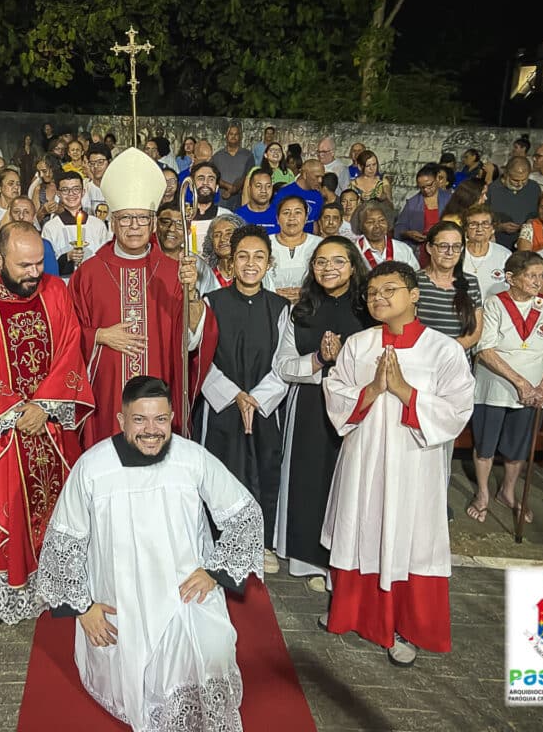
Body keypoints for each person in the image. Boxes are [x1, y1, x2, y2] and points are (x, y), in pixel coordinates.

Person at [37, 375, 264, 731]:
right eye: (139, 419)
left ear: (173, 416)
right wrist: (83, 608)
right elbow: (64, 539)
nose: (151, 430)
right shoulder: (94, 467)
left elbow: (243, 513)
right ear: (121, 420)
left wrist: (215, 571)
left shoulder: (191, 458)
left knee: (208, 659)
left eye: (160, 419)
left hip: (184, 596)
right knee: (139, 682)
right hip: (122, 602)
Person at [0, 222, 95, 624]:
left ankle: (59, 584)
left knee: (60, 507)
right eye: (24, 265)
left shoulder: (55, 291)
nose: (33, 273)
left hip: (49, 425)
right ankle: (3, 594)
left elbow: (69, 347)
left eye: (39, 263)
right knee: (4, 512)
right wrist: (14, 411)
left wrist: (44, 404)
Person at [319, 261, 474, 667]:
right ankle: (350, 613)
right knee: (361, 527)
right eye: (372, 293)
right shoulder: (359, 344)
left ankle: (405, 626)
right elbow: (336, 391)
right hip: (364, 457)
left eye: (390, 290)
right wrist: (371, 389)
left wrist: (406, 391)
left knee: (411, 539)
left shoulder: (443, 349)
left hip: (413, 463)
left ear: (415, 294)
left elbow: (458, 408)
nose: (379, 298)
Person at [69, 148, 215, 447]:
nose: (134, 226)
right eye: (125, 219)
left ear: (152, 223)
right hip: (105, 398)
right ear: (112, 222)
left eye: (141, 218)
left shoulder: (175, 271)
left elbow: (194, 340)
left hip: (159, 390)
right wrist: (98, 335)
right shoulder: (89, 273)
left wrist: (191, 294)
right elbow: (65, 333)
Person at [274, 236, 372, 589]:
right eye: (320, 262)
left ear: (353, 265)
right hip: (310, 405)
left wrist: (345, 357)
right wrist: (318, 359)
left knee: (349, 483)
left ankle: (342, 562)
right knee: (308, 480)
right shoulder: (301, 308)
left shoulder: (369, 309)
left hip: (358, 405)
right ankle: (307, 560)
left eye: (338, 261)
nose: (328, 268)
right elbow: (283, 366)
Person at [197, 225, 289, 574]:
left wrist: (256, 399)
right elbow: (201, 358)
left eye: (259, 257)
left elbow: (284, 362)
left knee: (265, 469)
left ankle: (260, 542)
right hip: (220, 404)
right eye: (243, 256)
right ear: (231, 262)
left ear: (270, 262)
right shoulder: (212, 303)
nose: (251, 264)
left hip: (265, 406)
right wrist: (234, 396)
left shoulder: (281, 308)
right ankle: (215, 539)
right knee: (222, 469)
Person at [468, 251, 543, 524]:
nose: (538, 281)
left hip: (534, 392)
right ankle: (484, 494)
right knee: (486, 446)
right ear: (511, 278)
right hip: (495, 388)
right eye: (532, 275)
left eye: (542, 275)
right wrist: (521, 383)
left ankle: (507, 492)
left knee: (519, 447)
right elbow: (485, 349)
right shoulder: (495, 303)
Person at [415, 221, 483, 351]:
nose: (450, 252)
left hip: (458, 362)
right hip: (424, 359)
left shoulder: (471, 282)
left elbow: (475, 332)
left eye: (456, 246)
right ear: (429, 248)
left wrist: (449, 352)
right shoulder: (415, 281)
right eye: (443, 246)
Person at [264, 196, 322, 303]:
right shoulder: (264, 244)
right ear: (277, 218)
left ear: (306, 218)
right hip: (271, 306)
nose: (292, 217)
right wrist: (272, 293)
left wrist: (307, 293)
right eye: (286, 213)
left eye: (298, 212)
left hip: (311, 306)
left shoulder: (320, 245)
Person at [394, 164, 450, 261]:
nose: (426, 190)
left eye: (429, 185)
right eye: (422, 187)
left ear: (437, 179)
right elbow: (399, 227)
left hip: (446, 249)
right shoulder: (412, 203)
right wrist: (407, 233)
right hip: (420, 251)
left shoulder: (449, 199)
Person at [488, 156, 541, 250]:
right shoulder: (492, 189)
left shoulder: (534, 188)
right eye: (515, 180)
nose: (520, 184)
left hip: (527, 244)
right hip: (499, 244)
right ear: (506, 174)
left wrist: (532, 222)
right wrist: (499, 227)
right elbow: (482, 217)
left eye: (524, 180)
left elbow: (540, 213)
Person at [462, 205, 511, 300]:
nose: (479, 229)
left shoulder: (505, 255)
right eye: (473, 224)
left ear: (493, 228)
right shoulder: (455, 253)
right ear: (466, 229)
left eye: (485, 224)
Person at [353, 199, 418, 271]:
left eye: (382, 220)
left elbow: (416, 276)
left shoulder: (403, 249)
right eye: (370, 222)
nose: (377, 226)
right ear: (361, 226)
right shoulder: (354, 251)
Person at [212, 123, 255, 209]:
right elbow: (213, 176)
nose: (233, 136)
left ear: (240, 137)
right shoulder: (217, 156)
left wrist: (234, 189)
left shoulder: (248, 155)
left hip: (241, 198)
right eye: (231, 134)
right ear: (226, 136)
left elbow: (248, 176)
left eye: (236, 134)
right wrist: (228, 186)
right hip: (221, 199)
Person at [201, 214, 244, 289]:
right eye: (217, 235)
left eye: (229, 234)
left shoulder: (251, 273)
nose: (222, 239)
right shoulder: (206, 275)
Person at [235, 168, 278, 232]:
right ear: (249, 189)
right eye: (258, 186)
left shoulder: (280, 214)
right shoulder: (238, 216)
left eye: (268, 186)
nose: (264, 190)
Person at [30, 153, 61, 221]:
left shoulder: (66, 186)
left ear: (54, 168)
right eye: (39, 172)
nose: (41, 175)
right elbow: (34, 220)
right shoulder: (38, 190)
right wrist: (43, 211)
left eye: (44, 171)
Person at [82, 143, 112, 212]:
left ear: (109, 162)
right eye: (92, 163)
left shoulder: (118, 188)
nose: (95, 166)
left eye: (100, 162)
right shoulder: (84, 187)